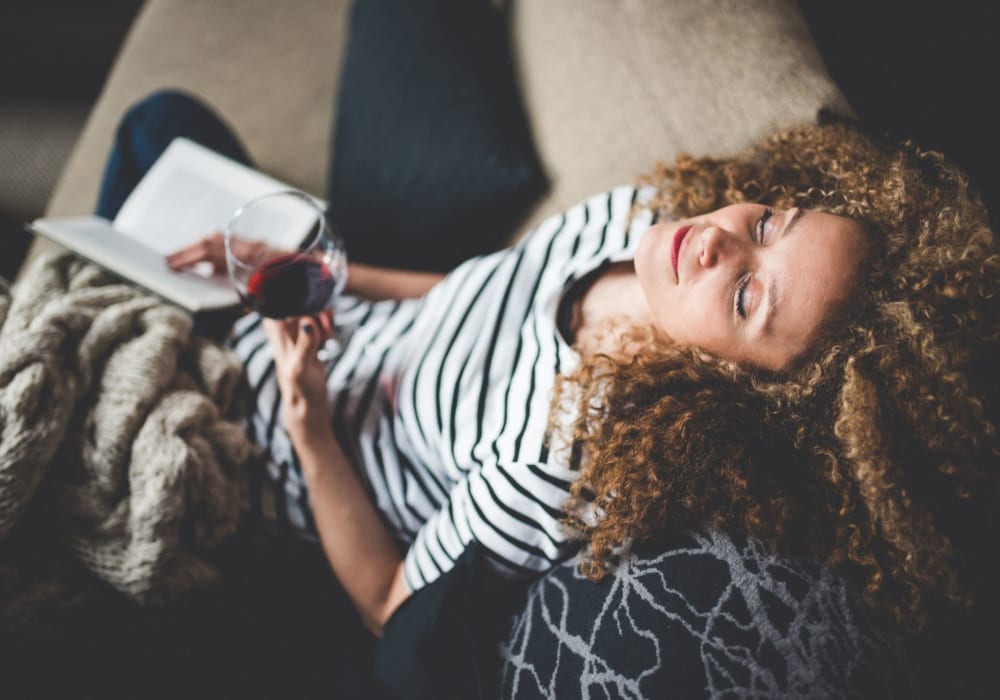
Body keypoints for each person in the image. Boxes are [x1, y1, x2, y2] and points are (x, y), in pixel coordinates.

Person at [108, 91, 999, 645]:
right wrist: (311, 267)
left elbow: (389, 603)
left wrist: (309, 430)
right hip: (311, 310)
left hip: (255, 443)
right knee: (159, 122)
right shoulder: (646, 220)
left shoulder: (566, 461)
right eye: (770, 224)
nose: (721, 241)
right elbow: (481, 290)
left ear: (749, 389)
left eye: (745, 299)